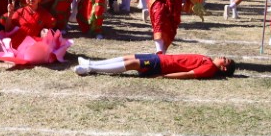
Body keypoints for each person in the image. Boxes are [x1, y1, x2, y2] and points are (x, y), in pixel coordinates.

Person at [0, 0, 72, 65]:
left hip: (34, 41)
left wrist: (44, 31)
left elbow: (51, 25)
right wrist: (10, 14)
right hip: (18, 41)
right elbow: (8, 29)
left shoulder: (44, 13)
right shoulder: (20, 11)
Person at [74, 53, 235, 79]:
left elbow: (189, 74)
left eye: (225, 60)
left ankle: (90, 68)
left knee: (132, 64)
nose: (223, 57)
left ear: (224, 68)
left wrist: (164, 76)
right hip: (161, 58)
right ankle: (91, 63)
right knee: (128, 57)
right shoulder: (208, 60)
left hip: (163, 65)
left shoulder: (210, 68)